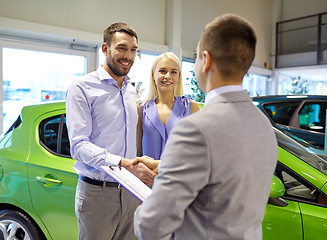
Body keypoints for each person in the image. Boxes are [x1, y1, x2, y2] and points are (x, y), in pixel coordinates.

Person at [134, 14, 278, 240]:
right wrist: (163, 165)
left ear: (206, 60)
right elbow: (220, 170)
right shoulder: (263, 124)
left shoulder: (196, 128)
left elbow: (151, 225)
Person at [66, 22, 156, 240]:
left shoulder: (131, 90)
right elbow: (78, 146)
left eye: (134, 50)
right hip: (98, 193)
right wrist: (123, 163)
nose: (129, 56)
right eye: (122, 48)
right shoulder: (81, 87)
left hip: (132, 191)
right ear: (105, 49)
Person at [137, 52, 200, 162]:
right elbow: (138, 151)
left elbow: (198, 150)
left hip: (180, 176)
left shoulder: (191, 107)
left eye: (173, 72)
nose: (168, 76)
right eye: (162, 71)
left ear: (178, 77)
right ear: (153, 74)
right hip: (147, 177)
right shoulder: (141, 109)